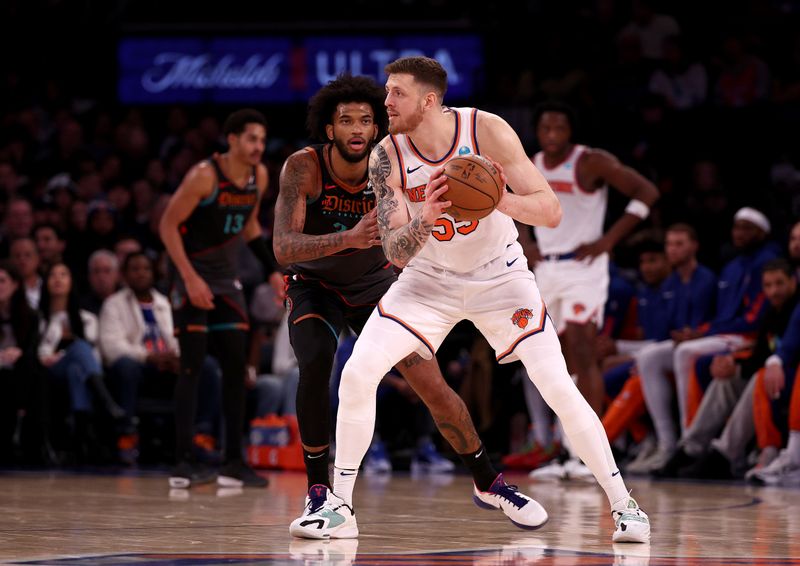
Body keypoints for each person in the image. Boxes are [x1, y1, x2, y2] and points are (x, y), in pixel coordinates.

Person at [301, 56, 650, 543]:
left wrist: (497, 199)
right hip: (427, 280)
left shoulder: (486, 130)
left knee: (556, 384)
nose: (386, 101)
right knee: (359, 372)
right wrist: (426, 215)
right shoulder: (387, 156)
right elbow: (395, 250)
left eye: (396, 92)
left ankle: (625, 508)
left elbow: (548, 211)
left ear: (428, 100)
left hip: (500, 278)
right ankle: (339, 507)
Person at [276, 75, 516, 538]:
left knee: (431, 382)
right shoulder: (302, 168)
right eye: (346, 121)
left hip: (377, 285)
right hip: (317, 286)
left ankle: (488, 479)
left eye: (366, 120)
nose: (357, 129)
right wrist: (346, 239)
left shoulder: (390, 160)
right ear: (329, 130)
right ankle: (319, 492)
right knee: (315, 364)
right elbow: (284, 248)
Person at [159, 109, 282, 489]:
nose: (258, 146)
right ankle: (182, 462)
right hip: (190, 274)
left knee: (235, 370)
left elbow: (248, 226)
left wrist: (272, 269)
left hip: (226, 280)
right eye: (251, 139)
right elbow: (167, 226)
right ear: (231, 140)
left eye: (262, 140)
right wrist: (190, 278)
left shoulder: (257, 177)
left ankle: (233, 461)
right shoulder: (204, 175)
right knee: (192, 368)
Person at [99, 251, 220, 465]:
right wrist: (148, 357)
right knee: (125, 367)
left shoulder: (165, 302)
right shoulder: (114, 304)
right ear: (125, 275)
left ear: (153, 273)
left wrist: (178, 357)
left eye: (145, 268)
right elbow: (111, 347)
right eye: (135, 269)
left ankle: (201, 435)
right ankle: (127, 436)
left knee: (207, 366)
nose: (141, 274)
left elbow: (179, 337)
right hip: (139, 368)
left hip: (169, 368)